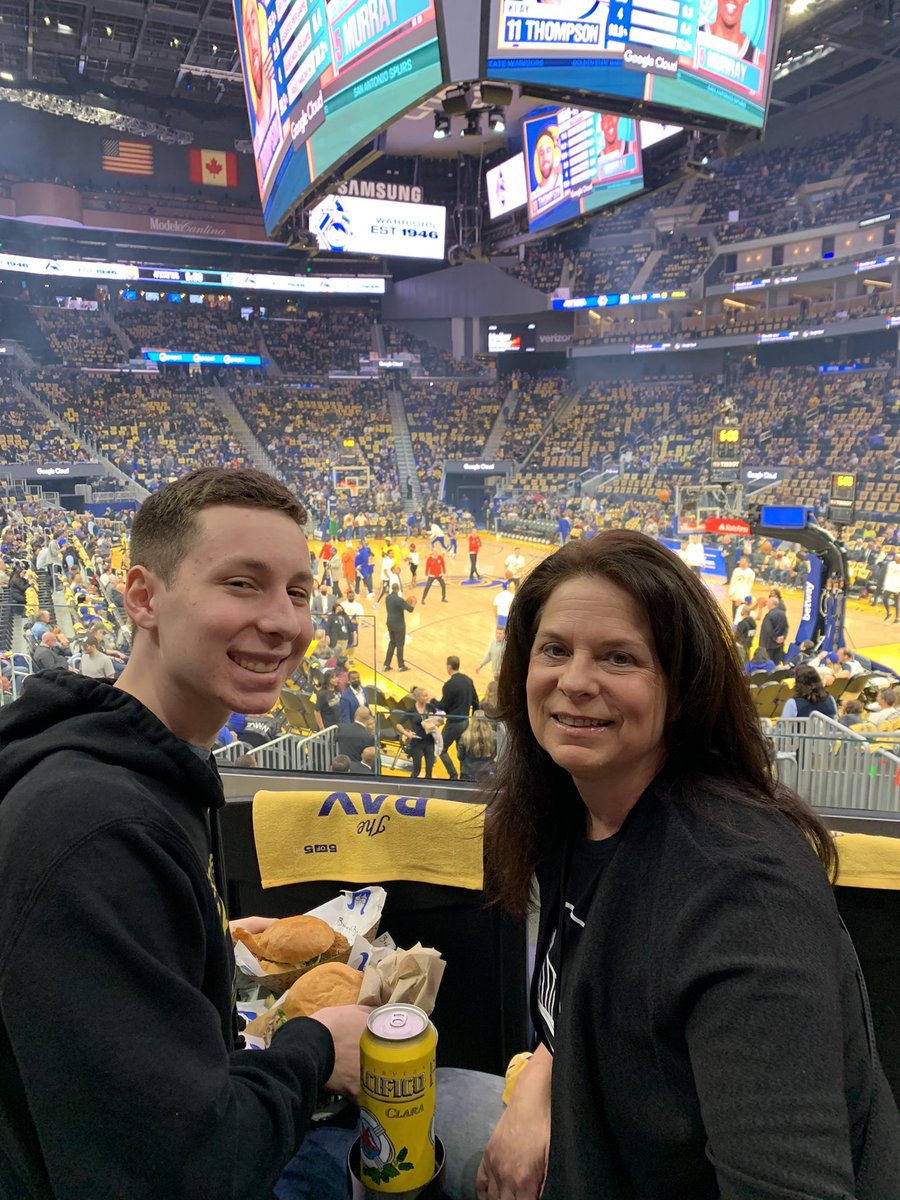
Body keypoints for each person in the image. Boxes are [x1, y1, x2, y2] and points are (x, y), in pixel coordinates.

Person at [478, 530, 900, 1199]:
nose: (575, 681)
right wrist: (539, 1083)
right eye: (555, 649)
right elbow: (600, 1004)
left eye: (619, 658)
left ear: (684, 688)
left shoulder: (742, 893)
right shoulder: (576, 812)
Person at [0, 467, 371, 1200]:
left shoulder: (136, 776)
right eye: (242, 583)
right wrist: (319, 1047)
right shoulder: (100, 829)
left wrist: (207, 937)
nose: (285, 621)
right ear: (142, 597)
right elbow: (188, 1173)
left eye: (298, 591)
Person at [438, 656, 479, 782]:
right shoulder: (468, 680)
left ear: (449, 666)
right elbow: (475, 701)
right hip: (466, 721)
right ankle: (464, 776)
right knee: (462, 750)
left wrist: (433, 703)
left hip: (454, 723)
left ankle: (453, 775)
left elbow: (443, 706)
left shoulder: (449, 685)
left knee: (441, 748)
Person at [396, 687, 441, 780]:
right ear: (418, 697)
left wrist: (437, 722)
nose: (427, 697)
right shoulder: (411, 711)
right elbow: (398, 724)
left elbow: (440, 719)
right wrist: (406, 733)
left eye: (427, 695)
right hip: (417, 742)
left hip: (430, 741)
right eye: (424, 696)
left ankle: (428, 790)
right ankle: (410, 788)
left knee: (429, 770)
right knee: (417, 769)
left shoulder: (430, 707)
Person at [383, 582, 415, 672]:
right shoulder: (399, 600)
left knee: (392, 643)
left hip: (390, 623)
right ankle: (401, 666)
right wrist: (413, 603)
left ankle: (386, 665)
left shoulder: (387, 598)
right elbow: (410, 609)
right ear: (398, 589)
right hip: (399, 625)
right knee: (400, 645)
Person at [457, 714, 497, 783]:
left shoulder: (465, 736)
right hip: (487, 773)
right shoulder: (494, 736)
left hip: (468, 774)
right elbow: (495, 754)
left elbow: (460, 757)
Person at [759, 593, 789, 665]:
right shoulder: (782, 614)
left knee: (766, 664)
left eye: (768, 602)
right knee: (775, 664)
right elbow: (786, 627)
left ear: (772, 604)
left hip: (768, 645)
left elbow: (768, 630)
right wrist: (783, 637)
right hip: (779, 645)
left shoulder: (769, 615)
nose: (767, 604)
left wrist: (775, 638)